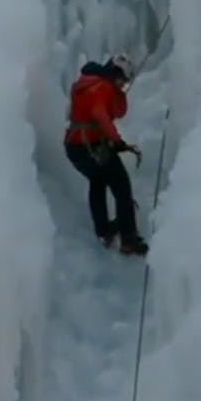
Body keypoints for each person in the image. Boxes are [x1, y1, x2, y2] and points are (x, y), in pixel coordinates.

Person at [63, 54, 147, 256]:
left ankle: (104, 231)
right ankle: (128, 239)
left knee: (98, 181)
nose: (123, 84)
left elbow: (111, 112)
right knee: (121, 186)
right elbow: (100, 113)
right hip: (92, 146)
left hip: (74, 148)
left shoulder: (86, 83)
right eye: (123, 80)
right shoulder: (103, 87)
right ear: (116, 74)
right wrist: (116, 140)